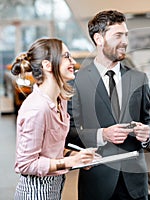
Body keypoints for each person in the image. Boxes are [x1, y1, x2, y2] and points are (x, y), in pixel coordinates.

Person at [68, 10, 150, 200]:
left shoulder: (138, 78)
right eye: (118, 35)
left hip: (135, 183)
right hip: (97, 182)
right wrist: (103, 134)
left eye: (126, 35)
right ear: (99, 39)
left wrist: (147, 132)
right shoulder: (77, 82)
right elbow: (69, 131)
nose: (125, 41)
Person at [12, 38, 96, 200]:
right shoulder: (37, 109)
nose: (73, 62)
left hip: (54, 187)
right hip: (35, 192)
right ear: (47, 65)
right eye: (66, 56)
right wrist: (69, 162)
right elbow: (25, 164)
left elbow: (51, 149)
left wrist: (75, 155)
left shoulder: (60, 100)